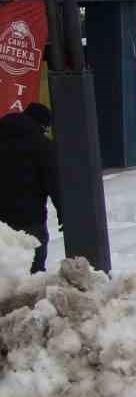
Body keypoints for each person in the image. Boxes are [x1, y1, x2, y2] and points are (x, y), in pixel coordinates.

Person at [0, 104, 61, 274]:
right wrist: (65, 213)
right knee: (35, 271)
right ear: (42, 125)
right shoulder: (42, 146)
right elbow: (54, 183)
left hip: (1, 221)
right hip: (30, 218)